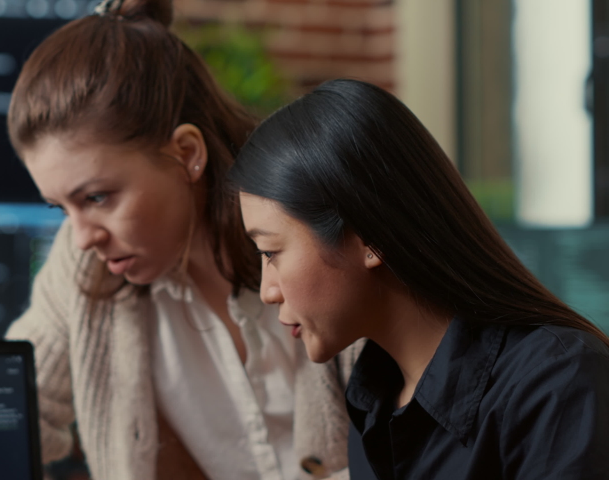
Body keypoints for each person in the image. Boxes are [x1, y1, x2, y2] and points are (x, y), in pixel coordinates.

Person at [3, 1, 363, 479]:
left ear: (187, 153)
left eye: (96, 196)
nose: (83, 236)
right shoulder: (84, 263)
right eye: (61, 208)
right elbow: (10, 413)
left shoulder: (320, 233)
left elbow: (420, 447)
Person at [230, 78, 609, 479]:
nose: (268, 291)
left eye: (271, 253)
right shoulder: (373, 403)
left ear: (367, 237)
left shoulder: (555, 386)